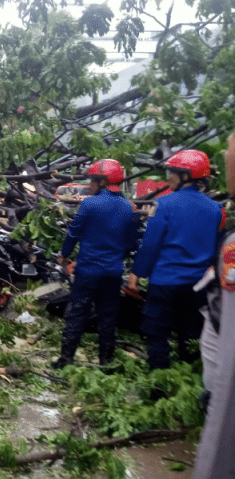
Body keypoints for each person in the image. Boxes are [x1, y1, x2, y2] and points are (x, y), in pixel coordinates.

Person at [128, 150, 226, 370]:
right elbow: (218, 249)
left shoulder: (163, 205)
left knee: (156, 334)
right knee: (191, 336)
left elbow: (151, 244)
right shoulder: (218, 210)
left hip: (165, 282)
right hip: (199, 286)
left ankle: (159, 387)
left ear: (185, 176)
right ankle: (188, 380)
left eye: (173, 172)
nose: (169, 177)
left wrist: (137, 273)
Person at [52, 159, 139, 368]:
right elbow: (131, 243)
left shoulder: (89, 204)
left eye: (93, 181)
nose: (90, 185)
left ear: (102, 181)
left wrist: (63, 256)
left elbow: (74, 233)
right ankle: (106, 361)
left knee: (77, 313)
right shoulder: (129, 208)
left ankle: (66, 359)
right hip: (113, 273)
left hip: (88, 271)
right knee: (108, 317)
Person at [192, 131, 235, 479]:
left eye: (230, 151)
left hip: (171, 281)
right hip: (199, 278)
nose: (225, 155)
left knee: (157, 331)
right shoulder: (217, 210)